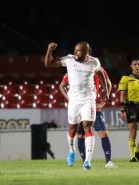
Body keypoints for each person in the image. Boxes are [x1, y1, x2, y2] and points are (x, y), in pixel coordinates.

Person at [44, 41, 108, 170]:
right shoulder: (69, 59)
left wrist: (105, 91)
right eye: (75, 50)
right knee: (72, 129)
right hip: (74, 101)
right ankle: (72, 151)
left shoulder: (94, 62)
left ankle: (87, 162)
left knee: (87, 127)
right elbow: (48, 64)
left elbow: (101, 76)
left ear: (87, 53)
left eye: (79, 51)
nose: (76, 53)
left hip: (89, 100)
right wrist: (50, 49)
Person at [59, 67, 117, 168]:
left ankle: (108, 162)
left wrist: (104, 100)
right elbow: (62, 85)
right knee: (80, 135)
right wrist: (70, 99)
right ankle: (83, 161)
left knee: (103, 133)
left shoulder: (97, 68)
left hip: (92, 105)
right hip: (78, 105)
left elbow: (108, 82)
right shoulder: (75, 68)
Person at [118, 58, 139, 162]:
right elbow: (122, 95)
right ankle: (132, 157)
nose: (137, 66)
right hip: (130, 106)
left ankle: (137, 151)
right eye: (135, 64)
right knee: (133, 130)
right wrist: (123, 110)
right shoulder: (125, 78)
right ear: (131, 66)